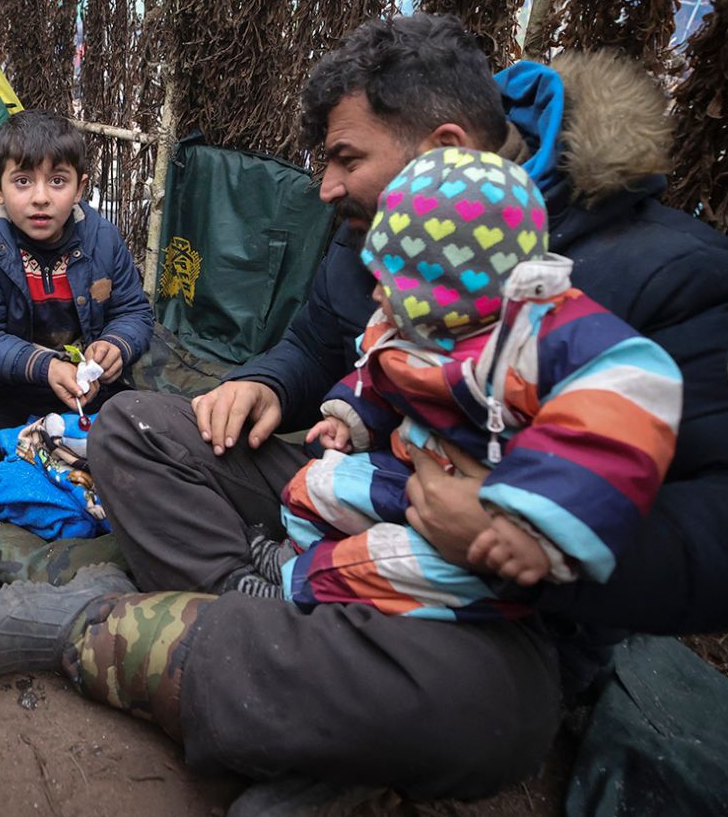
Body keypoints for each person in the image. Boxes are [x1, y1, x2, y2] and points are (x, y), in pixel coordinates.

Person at [0, 13, 728, 799]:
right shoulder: (372, 228)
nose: (325, 187)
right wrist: (264, 383)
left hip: (496, 605)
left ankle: (112, 634)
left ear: (441, 147)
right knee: (137, 426)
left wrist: (523, 535)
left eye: (344, 159)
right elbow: (316, 343)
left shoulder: (668, 273)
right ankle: (275, 643)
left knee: (487, 716)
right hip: (358, 490)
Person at [258, 147, 681, 619]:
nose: (377, 294)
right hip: (411, 474)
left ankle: (296, 591)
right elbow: (383, 369)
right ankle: (294, 560)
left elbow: (623, 404)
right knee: (312, 487)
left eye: (393, 284)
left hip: (493, 521)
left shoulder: (543, 338)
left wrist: (535, 523)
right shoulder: (427, 324)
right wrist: (350, 415)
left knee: (388, 561)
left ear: (448, 286)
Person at [0, 109, 153, 501]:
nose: (41, 197)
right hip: (3, 387)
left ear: (80, 188)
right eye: (23, 181)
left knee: (142, 435)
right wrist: (45, 366)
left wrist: (117, 345)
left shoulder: (102, 239)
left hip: (84, 386)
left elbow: (134, 312)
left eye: (58, 181)